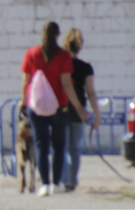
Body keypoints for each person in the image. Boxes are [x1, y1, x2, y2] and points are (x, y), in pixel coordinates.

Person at [21, 21, 89, 197]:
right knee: (59, 145)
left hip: (36, 106)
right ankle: (56, 183)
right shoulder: (64, 56)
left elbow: (26, 81)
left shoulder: (31, 54)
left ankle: (44, 184)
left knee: (41, 145)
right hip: (60, 106)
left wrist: (23, 101)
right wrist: (79, 107)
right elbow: (67, 83)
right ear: (58, 36)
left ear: (42, 34)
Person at [60, 28, 100, 192]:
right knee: (74, 148)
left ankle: (63, 179)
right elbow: (90, 92)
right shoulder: (86, 67)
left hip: (59, 109)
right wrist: (97, 114)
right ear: (80, 46)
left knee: (60, 147)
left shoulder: (59, 66)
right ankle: (72, 181)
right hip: (79, 112)